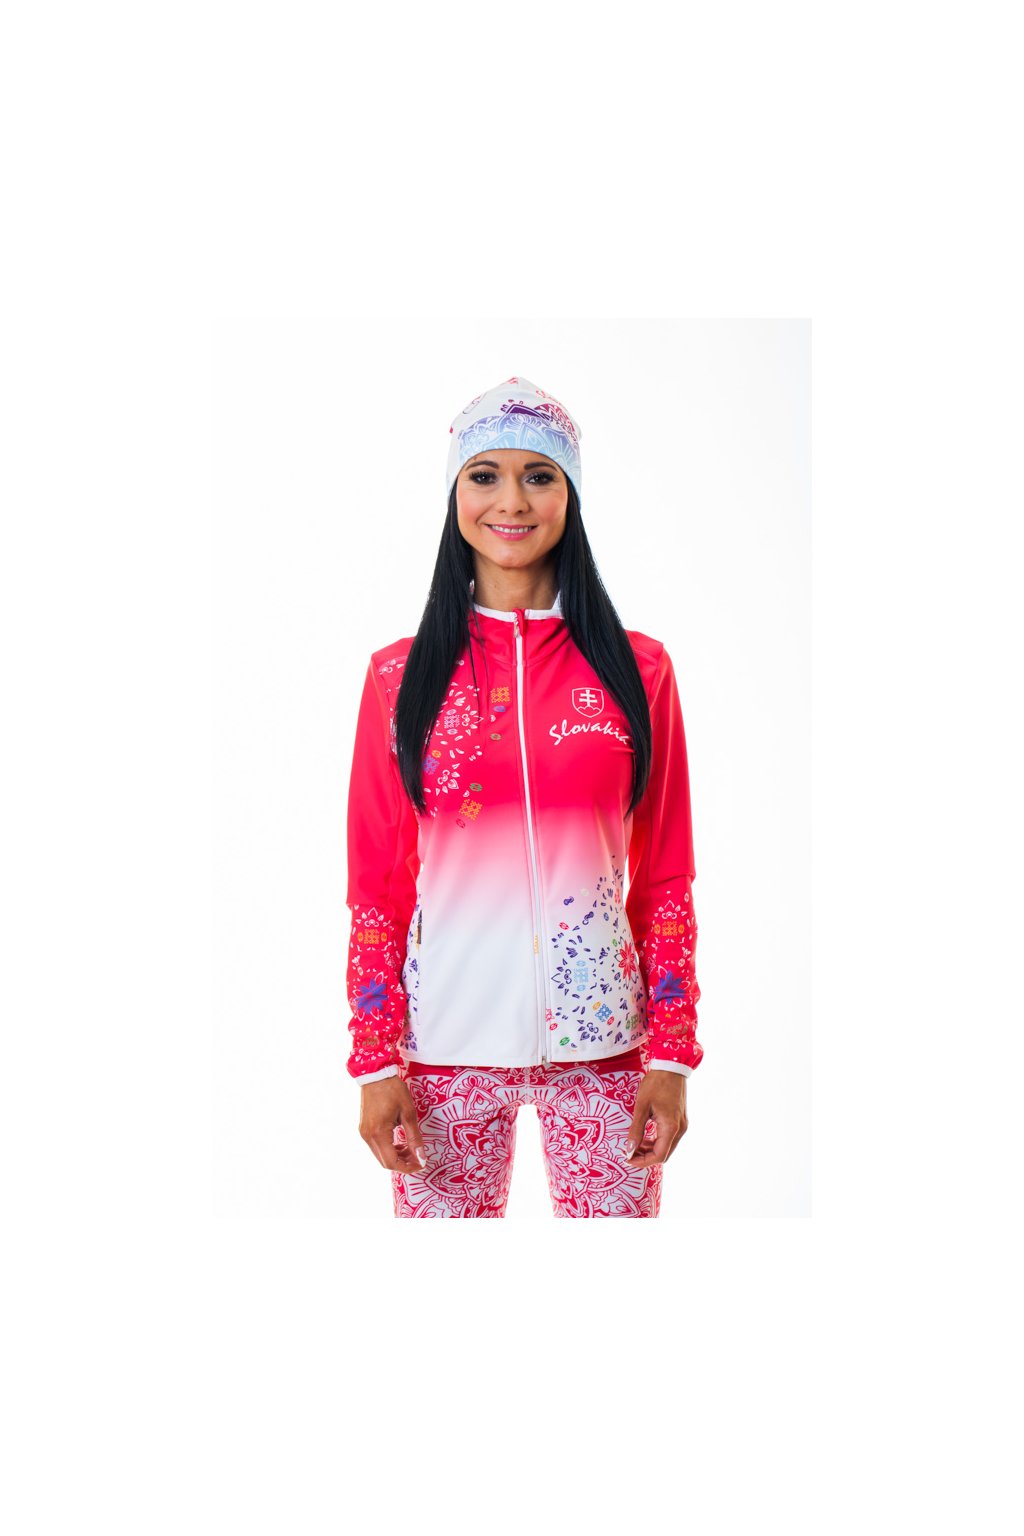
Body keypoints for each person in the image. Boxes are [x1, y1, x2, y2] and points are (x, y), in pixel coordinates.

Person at [345, 375, 703, 1217]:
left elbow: (665, 875)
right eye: (485, 475)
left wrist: (671, 1055)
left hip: (607, 1051)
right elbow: (378, 887)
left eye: (539, 476)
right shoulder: (400, 678)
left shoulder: (638, 670)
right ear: (455, 495)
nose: (511, 500)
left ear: (570, 495)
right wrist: (375, 1062)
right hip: (444, 1051)